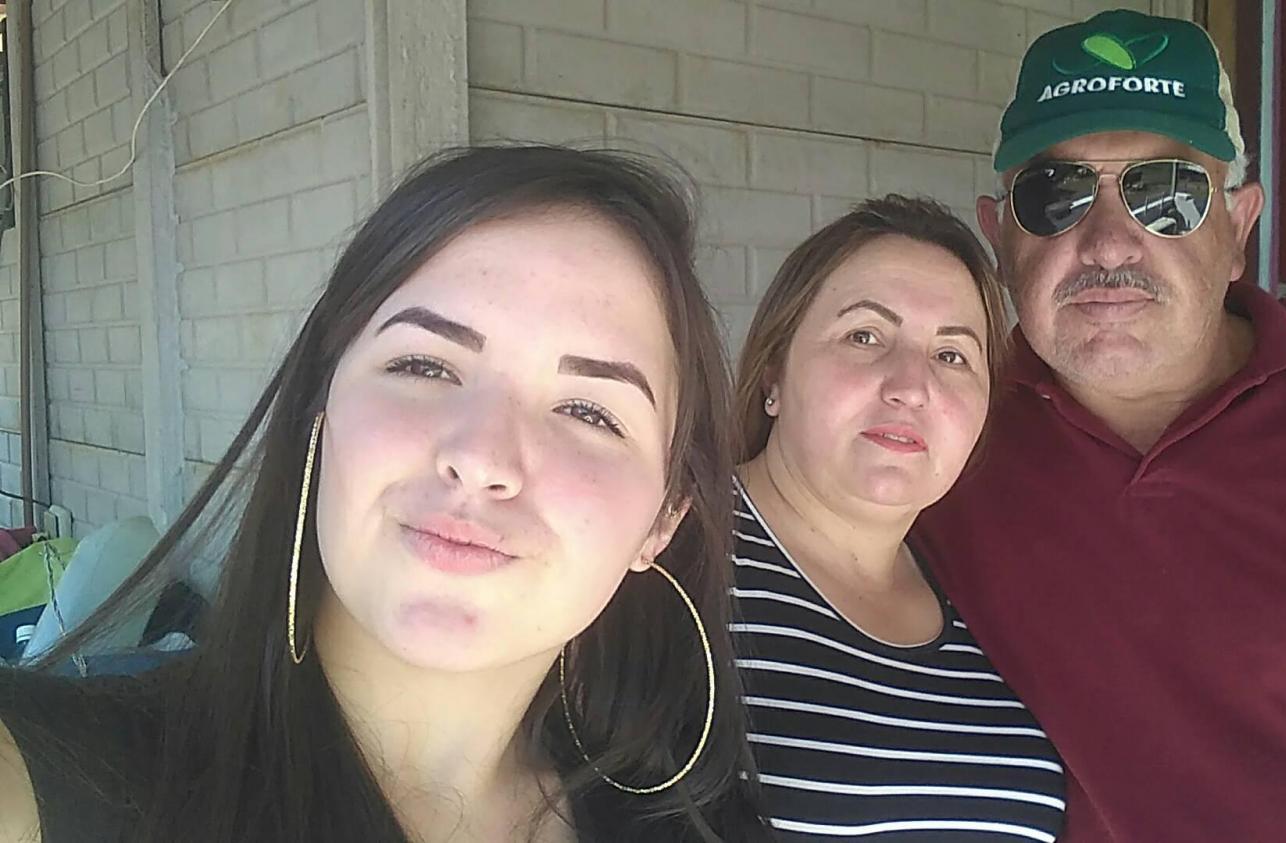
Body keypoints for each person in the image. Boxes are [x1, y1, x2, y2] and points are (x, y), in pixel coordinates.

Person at [0, 146, 769, 842]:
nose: (481, 457)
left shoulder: (692, 823)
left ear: (663, 519)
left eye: (588, 411)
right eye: (424, 366)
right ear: (321, 406)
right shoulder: (61, 778)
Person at [914, 9, 1286, 842]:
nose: (1108, 242)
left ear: (1239, 228)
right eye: (1056, 195)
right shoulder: (935, 444)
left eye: (1167, 194)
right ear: (1000, 234)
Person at [730, 195, 1067, 840]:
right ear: (774, 372)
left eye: (952, 355)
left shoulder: (983, 589)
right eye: (864, 336)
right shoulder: (657, 552)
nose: (911, 387)